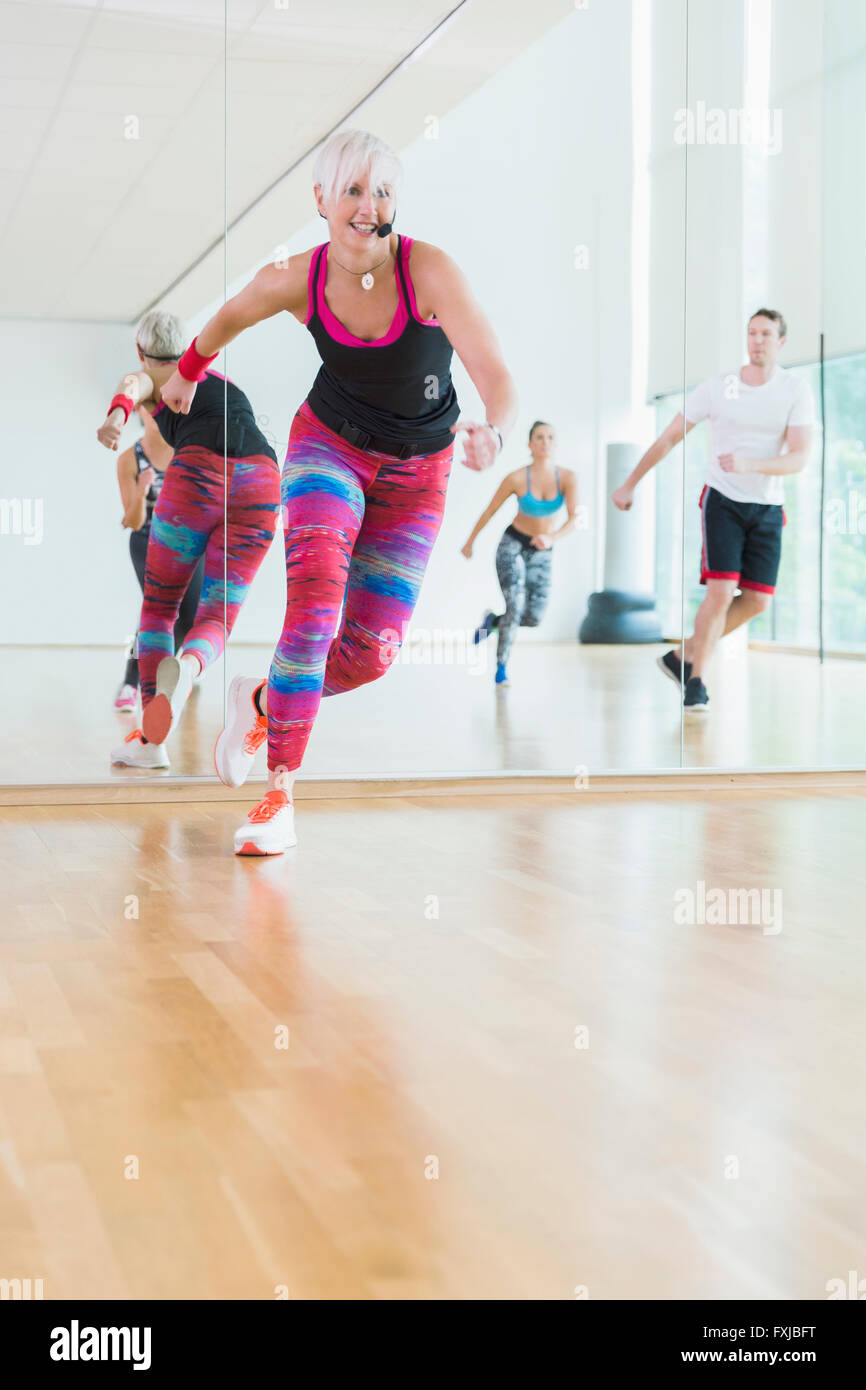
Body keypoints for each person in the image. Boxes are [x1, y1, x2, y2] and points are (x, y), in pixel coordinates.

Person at [157, 128, 518, 853]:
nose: (368, 205)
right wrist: (186, 371)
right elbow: (230, 315)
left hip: (419, 474)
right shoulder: (299, 277)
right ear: (321, 199)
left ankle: (262, 701)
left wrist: (496, 433)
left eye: (382, 190)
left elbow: (496, 376)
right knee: (315, 607)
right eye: (353, 189)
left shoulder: (431, 272)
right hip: (329, 448)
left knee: (371, 652)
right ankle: (279, 795)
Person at [96, 309, 280, 768]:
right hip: (263, 477)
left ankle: (150, 742)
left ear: (141, 351)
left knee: (159, 609)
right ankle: (193, 667)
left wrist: (117, 418)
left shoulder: (150, 377)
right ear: (189, 347)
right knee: (218, 614)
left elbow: (131, 388)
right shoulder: (220, 381)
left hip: (199, 471)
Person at [612, 309, 815, 712]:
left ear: (781, 343)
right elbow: (669, 438)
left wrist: (751, 464)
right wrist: (630, 482)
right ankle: (697, 681)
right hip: (723, 501)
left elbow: (798, 458)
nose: (758, 340)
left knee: (757, 601)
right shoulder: (718, 388)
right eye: (752, 332)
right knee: (721, 593)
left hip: (768, 507)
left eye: (766, 334)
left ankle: (682, 655)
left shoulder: (795, 389)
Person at [461, 419, 579, 685]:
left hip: (543, 549)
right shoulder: (516, 478)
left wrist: (552, 537)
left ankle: (493, 621)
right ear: (530, 444)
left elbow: (575, 518)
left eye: (550, 437)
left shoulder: (568, 478)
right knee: (515, 606)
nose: (545, 442)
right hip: (512, 545)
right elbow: (489, 511)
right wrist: (470, 542)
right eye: (539, 437)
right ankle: (501, 668)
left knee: (533, 617)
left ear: (556, 444)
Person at [113, 404, 205, 713]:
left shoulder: (189, 452)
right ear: (141, 412)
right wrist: (141, 490)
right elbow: (133, 520)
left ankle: (173, 673)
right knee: (158, 614)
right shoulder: (130, 458)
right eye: (153, 409)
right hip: (147, 541)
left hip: (188, 544)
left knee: (190, 618)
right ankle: (131, 682)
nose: (161, 415)